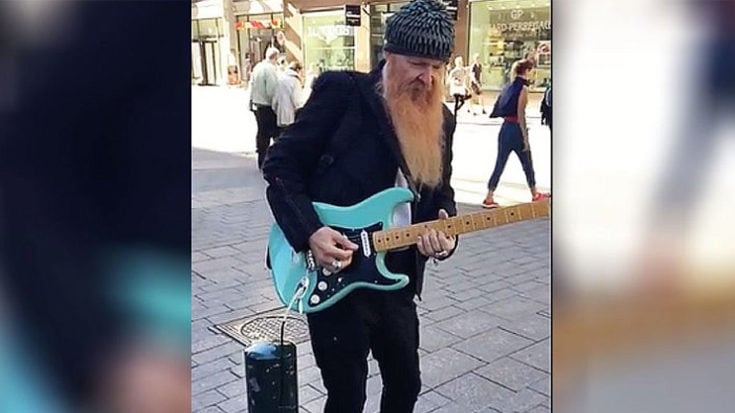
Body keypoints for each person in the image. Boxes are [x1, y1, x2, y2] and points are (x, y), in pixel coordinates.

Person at [262, 1, 458, 411]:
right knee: (347, 395)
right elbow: (281, 165)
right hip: (336, 273)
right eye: (418, 63)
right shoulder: (343, 93)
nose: (429, 77)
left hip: (396, 275)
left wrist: (445, 232)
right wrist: (311, 231)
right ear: (389, 54)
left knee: (406, 384)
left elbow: (441, 194)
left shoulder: (442, 117)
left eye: (438, 67)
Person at [483, 59, 550, 208]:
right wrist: (525, 136)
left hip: (505, 127)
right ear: (527, 71)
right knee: (527, 161)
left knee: (500, 162)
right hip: (515, 128)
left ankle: (489, 195)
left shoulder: (508, 86)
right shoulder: (523, 89)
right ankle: (534, 193)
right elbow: (521, 113)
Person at [249, 47, 280, 169]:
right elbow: (272, 90)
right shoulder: (270, 69)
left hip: (257, 105)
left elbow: (251, 85)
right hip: (267, 106)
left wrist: (250, 102)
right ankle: (275, 160)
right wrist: (276, 105)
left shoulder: (257, 67)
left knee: (262, 133)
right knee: (275, 133)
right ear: (275, 58)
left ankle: (261, 160)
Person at [272, 61, 304, 136]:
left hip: (280, 115)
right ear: (298, 70)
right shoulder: (295, 81)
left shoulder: (280, 79)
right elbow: (297, 101)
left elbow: (275, 99)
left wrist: (277, 111)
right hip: (291, 116)